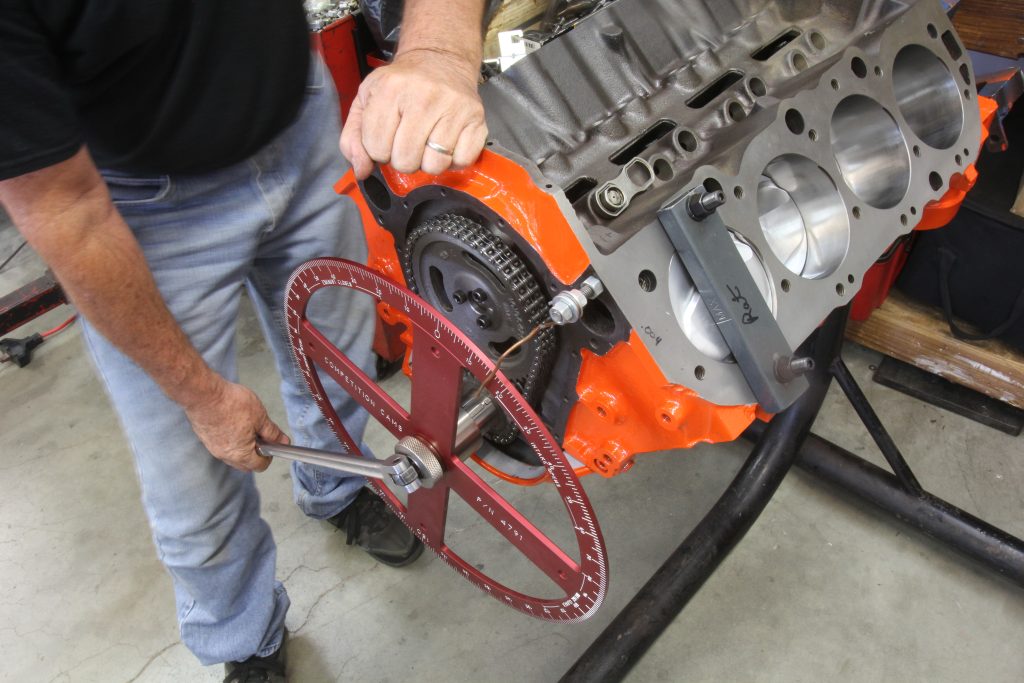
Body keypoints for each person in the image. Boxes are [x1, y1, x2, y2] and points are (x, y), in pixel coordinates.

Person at [0, 0, 487, 680]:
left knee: (339, 366)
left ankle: (337, 487)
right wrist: (200, 397)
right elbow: (64, 209)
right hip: (134, 204)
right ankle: (243, 636)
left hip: (303, 121)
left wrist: (438, 54)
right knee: (194, 481)